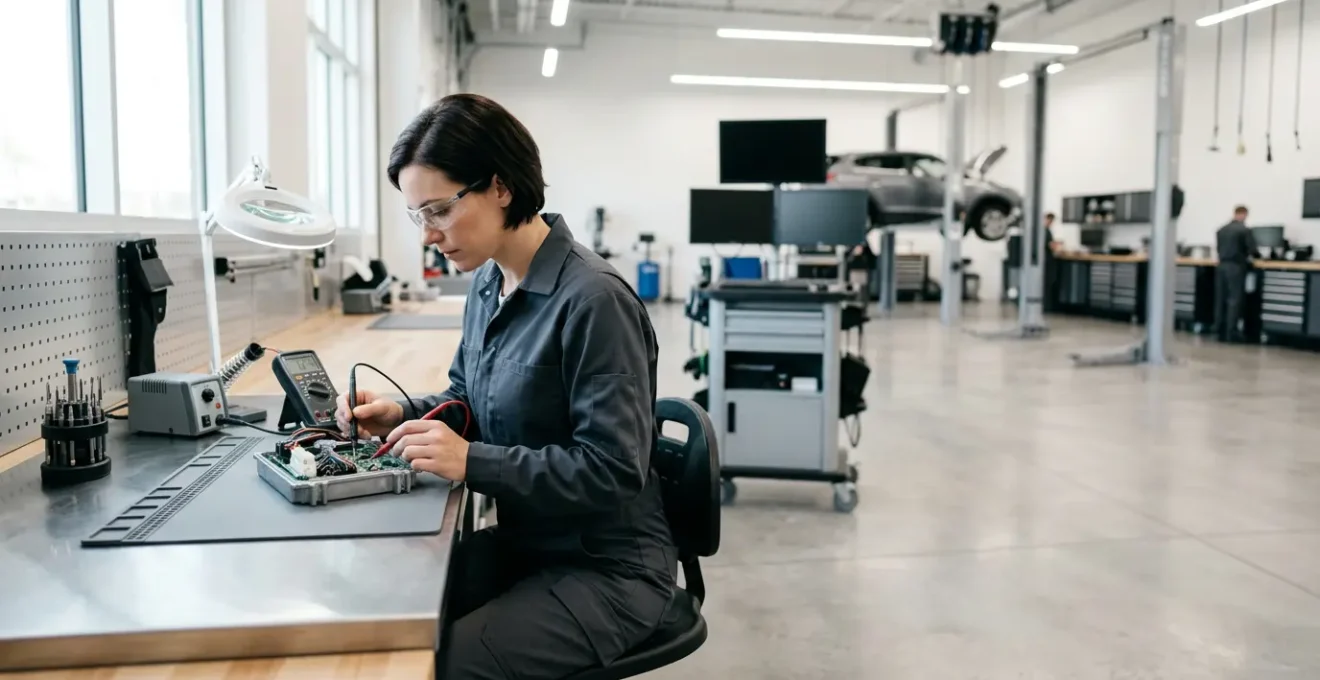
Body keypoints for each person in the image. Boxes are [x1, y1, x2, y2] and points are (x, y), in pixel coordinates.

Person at [334, 94, 676, 679]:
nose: (428, 235)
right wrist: (402, 414)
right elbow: (470, 397)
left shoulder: (594, 301)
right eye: (418, 216)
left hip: (606, 569)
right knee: (385, 611)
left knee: (443, 665)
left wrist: (472, 461)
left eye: (438, 210)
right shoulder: (490, 282)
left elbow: (613, 470)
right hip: (531, 545)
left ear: (499, 186)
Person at [1215, 205, 1257, 343]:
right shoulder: (1244, 230)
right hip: (1236, 267)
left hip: (1221, 266)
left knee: (1221, 298)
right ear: (1244, 214)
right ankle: (1231, 333)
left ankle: (1219, 331)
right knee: (1234, 299)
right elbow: (1252, 250)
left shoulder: (1221, 230)